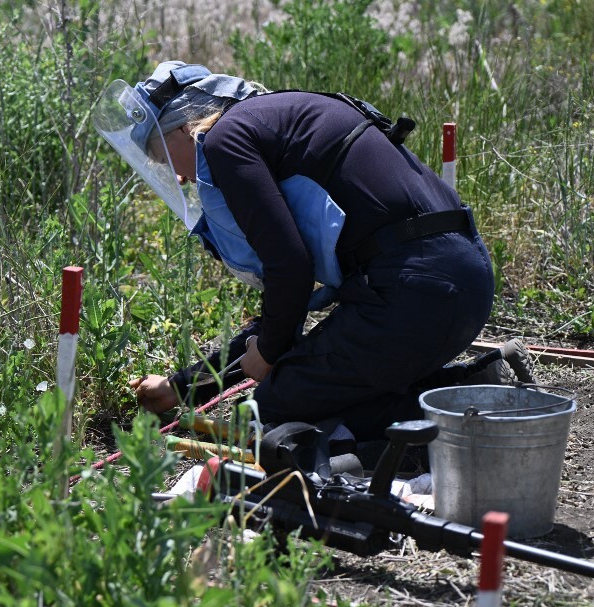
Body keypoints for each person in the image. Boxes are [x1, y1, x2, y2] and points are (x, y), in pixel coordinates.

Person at [93, 61, 534, 441]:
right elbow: (286, 301)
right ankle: (470, 385)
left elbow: (291, 270)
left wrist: (266, 356)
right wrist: (183, 387)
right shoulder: (271, 119)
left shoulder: (227, 141)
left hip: (418, 295)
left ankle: (477, 418)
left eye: (162, 158)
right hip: (458, 282)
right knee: (297, 376)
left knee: (276, 406)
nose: (181, 180)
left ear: (184, 127)